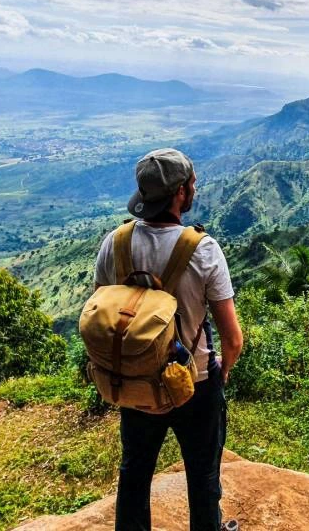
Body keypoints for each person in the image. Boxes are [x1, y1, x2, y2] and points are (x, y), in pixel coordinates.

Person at [93, 148, 244, 531]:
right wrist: (221, 373)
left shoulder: (117, 243)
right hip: (195, 383)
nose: (195, 187)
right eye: (192, 183)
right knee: (203, 477)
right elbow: (233, 339)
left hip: (137, 385)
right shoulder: (203, 250)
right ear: (179, 192)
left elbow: (101, 310)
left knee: (135, 472)